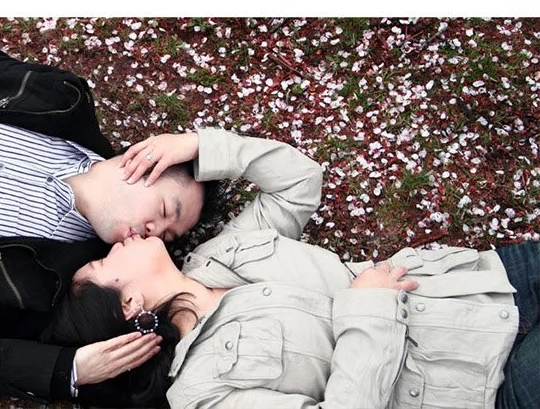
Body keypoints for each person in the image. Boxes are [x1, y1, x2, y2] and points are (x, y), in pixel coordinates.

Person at [46, 129, 538, 409]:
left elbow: (299, 183)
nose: (116, 243)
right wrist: (370, 309)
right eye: (103, 260)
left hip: (484, 284)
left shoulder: (219, 254)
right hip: (488, 379)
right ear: (130, 303)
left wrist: (200, 146)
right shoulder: (200, 393)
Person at [0, 37, 245, 403]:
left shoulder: (58, 286)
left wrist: (67, 370)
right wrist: (200, 145)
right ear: (145, 157)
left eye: (168, 236)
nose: (155, 234)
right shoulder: (60, 97)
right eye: (165, 211)